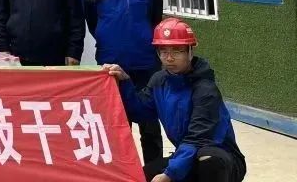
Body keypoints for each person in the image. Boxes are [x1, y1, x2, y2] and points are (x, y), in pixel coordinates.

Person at [104, 19, 247, 182]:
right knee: (144, 175)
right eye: (163, 51)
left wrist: (170, 174)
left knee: (208, 160)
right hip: (186, 156)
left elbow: (197, 139)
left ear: (190, 51)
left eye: (177, 51)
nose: (169, 58)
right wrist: (124, 81)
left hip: (223, 159)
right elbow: (140, 111)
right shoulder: (159, 81)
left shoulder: (206, 90)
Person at [85, 0, 165, 165]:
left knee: (150, 127)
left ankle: (153, 172)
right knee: (118, 126)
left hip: (145, 67)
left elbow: (154, 19)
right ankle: (124, 172)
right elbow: (93, 22)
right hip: (110, 67)